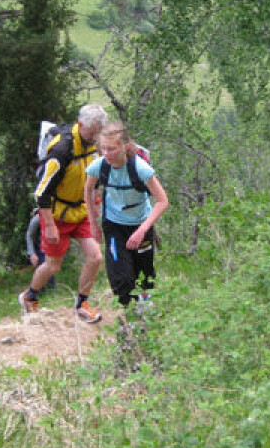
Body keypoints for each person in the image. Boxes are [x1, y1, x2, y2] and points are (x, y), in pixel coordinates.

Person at [18, 104, 109, 322]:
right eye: (92, 132)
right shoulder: (61, 150)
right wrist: (48, 225)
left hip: (80, 211)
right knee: (53, 265)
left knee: (95, 257)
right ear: (80, 125)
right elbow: (41, 192)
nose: (96, 136)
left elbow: (94, 175)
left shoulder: (94, 145)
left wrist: (95, 202)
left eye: (99, 132)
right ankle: (29, 296)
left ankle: (82, 304)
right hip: (56, 215)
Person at [84, 121, 168, 310]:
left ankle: (145, 316)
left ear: (125, 147)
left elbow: (163, 201)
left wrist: (142, 230)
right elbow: (88, 188)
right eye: (103, 148)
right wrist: (92, 222)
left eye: (112, 149)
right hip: (114, 225)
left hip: (141, 223)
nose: (106, 154)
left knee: (144, 276)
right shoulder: (99, 166)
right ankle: (127, 315)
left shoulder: (140, 169)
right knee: (121, 277)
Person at [25, 207, 55, 290]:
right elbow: (29, 235)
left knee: (51, 266)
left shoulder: (58, 218)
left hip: (50, 245)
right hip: (39, 246)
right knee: (43, 264)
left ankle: (50, 289)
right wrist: (32, 254)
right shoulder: (37, 219)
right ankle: (38, 290)